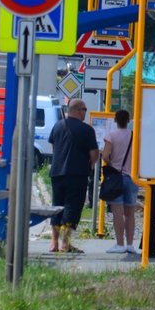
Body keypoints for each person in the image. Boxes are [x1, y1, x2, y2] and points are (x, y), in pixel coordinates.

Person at [47, 98, 98, 253]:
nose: (85, 113)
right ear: (77, 110)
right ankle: (65, 243)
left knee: (56, 206)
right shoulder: (87, 130)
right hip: (77, 173)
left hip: (57, 173)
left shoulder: (57, 126)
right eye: (84, 110)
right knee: (72, 208)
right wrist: (90, 165)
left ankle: (53, 243)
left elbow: (54, 147)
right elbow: (94, 154)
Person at [101, 109, 139, 254]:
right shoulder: (134, 136)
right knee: (130, 213)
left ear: (115, 120)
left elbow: (105, 156)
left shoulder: (111, 135)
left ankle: (119, 244)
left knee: (118, 213)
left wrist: (112, 163)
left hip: (115, 178)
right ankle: (130, 244)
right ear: (128, 121)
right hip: (132, 178)